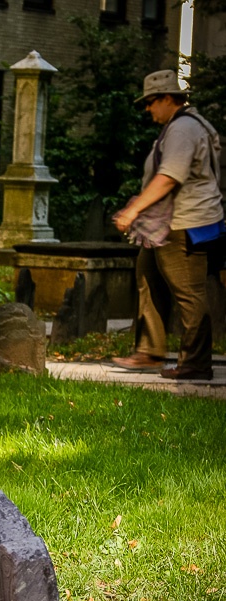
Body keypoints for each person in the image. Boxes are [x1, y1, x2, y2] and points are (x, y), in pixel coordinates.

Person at [112, 69, 225, 380]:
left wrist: (133, 210)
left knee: (189, 292)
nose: (148, 109)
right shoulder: (181, 126)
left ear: (166, 99)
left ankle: (196, 363)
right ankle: (150, 352)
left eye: (150, 102)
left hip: (185, 224)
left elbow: (169, 177)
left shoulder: (183, 130)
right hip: (169, 225)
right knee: (147, 274)